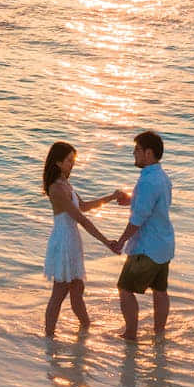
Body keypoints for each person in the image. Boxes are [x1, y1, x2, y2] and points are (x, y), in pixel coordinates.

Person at [42, 141, 124, 337]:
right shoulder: (57, 189)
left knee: (77, 289)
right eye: (69, 161)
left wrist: (111, 197)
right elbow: (81, 219)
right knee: (60, 291)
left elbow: (84, 206)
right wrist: (107, 242)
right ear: (58, 163)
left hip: (72, 240)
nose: (72, 164)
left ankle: (86, 330)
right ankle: (49, 338)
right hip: (64, 241)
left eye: (73, 160)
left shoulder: (66, 184)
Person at [114, 130, 175, 341]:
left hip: (147, 247)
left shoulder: (149, 181)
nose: (134, 153)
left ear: (149, 153)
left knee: (125, 288)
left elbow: (138, 219)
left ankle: (130, 333)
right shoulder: (162, 177)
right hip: (163, 245)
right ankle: (159, 333)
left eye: (137, 150)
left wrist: (121, 242)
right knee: (160, 290)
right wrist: (131, 199)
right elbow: (155, 204)